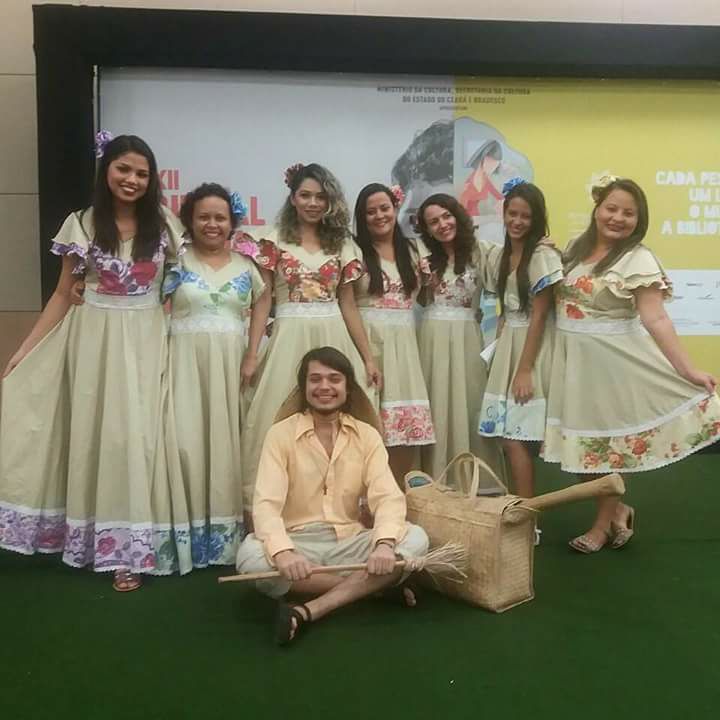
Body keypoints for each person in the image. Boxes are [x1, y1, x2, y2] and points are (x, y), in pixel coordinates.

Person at [0, 134, 185, 590]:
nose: (132, 179)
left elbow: (179, 291)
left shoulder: (165, 225)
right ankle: (92, 543)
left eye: (142, 173)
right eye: (124, 169)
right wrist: (24, 350)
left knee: (137, 440)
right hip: (93, 340)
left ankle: (131, 550)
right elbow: (64, 293)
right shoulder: (81, 225)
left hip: (146, 340)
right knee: (96, 437)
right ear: (106, 171)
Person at [542, 176, 720, 552]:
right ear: (597, 209)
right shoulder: (574, 249)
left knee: (608, 450)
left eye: (628, 213)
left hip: (615, 365)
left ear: (639, 220)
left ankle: (601, 527)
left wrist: (688, 370)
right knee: (580, 454)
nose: (618, 218)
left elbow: (656, 318)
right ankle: (618, 511)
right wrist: (542, 251)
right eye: (612, 208)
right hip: (574, 367)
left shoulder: (639, 259)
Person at [236, 347, 429, 645]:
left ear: (347, 387)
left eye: (334, 379)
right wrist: (284, 552)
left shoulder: (367, 435)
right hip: (298, 543)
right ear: (304, 387)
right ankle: (374, 588)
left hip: (349, 542)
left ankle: (309, 610)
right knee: (251, 558)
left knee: (416, 539)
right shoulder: (280, 434)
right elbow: (266, 505)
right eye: (315, 379)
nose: (324, 386)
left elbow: (388, 498)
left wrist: (384, 545)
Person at [240, 163, 379, 512]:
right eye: (305, 195)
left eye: (320, 196)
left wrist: (367, 357)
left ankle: (339, 505)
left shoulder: (343, 245)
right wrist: (252, 354)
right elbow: (263, 300)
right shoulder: (273, 240)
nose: (313, 203)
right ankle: (274, 507)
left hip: (333, 333)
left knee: (342, 418)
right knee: (277, 416)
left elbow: (348, 304)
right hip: (288, 335)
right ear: (293, 198)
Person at [162, 183, 267, 567]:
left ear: (231, 222)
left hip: (232, 365)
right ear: (190, 220)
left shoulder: (247, 265)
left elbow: (264, 302)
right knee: (185, 443)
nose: (212, 224)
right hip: (183, 364)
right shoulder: (174, 262)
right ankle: (185, 538)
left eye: (220, 217)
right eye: (203, 217)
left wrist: (252, 354)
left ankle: (224, 543)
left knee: (228, 445)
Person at [478, 179, 562, 498]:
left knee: (520, 438)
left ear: (537, 219)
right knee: (510, 438)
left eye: (525, 216)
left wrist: (525, 369)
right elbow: (505, 310)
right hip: (509, 347)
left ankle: (525, 513)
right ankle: (522, 510)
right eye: (512, 213)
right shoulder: (500, 256)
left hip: (534, 350)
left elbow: (539, 316)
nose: (517, 221)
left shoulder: (542, 256)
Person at [415, 194, 505, 484]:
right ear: (427, 230)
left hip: (467, 335)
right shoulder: (423, 258)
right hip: (431, 337)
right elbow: (419, 298)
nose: (442, 225)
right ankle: (434, 481)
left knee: (469, 402)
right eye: (433, 222)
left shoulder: (481, 251)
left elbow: (512, 267)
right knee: (436, 402)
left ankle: (472, 481)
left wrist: (540, 245)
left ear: (457, 215)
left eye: (446, 216)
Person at [352, 182, 435, 482]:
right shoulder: (353, 251)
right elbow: (347, 304)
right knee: (368, 426)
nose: (379, 216)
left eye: (384, 208)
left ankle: (398, 497)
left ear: (395, 208)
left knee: (404, 431)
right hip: (368, 343)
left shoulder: (414, 250)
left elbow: (428, 295)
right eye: (370, 211)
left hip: (405, 347)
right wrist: (366, 358)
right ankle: (366, 499)